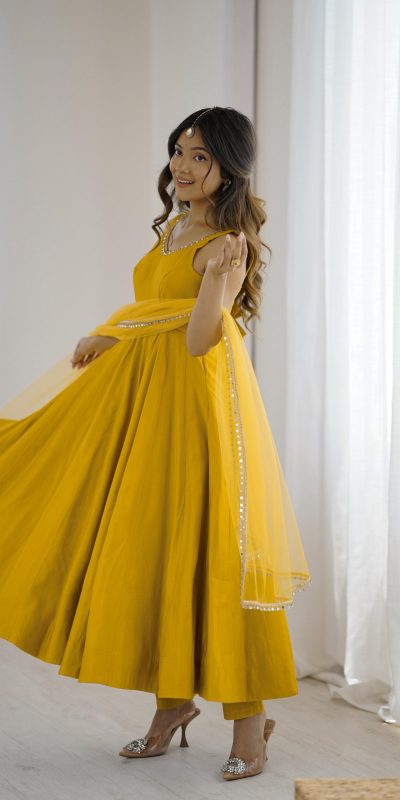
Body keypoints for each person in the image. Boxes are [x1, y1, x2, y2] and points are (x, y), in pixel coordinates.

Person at [0, 106, 311, 782]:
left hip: (196, 408)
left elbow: (198, 339)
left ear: (229, 166)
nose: (182, 166)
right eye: (178, 151)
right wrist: (111, 333)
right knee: (155, 547)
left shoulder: (228, 243)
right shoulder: (175, 226)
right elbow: (157, 311)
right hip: (145, 401)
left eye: (200, 156)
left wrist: (219, 277)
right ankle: (172, 706)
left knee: (215, 551)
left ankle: (249, 722)